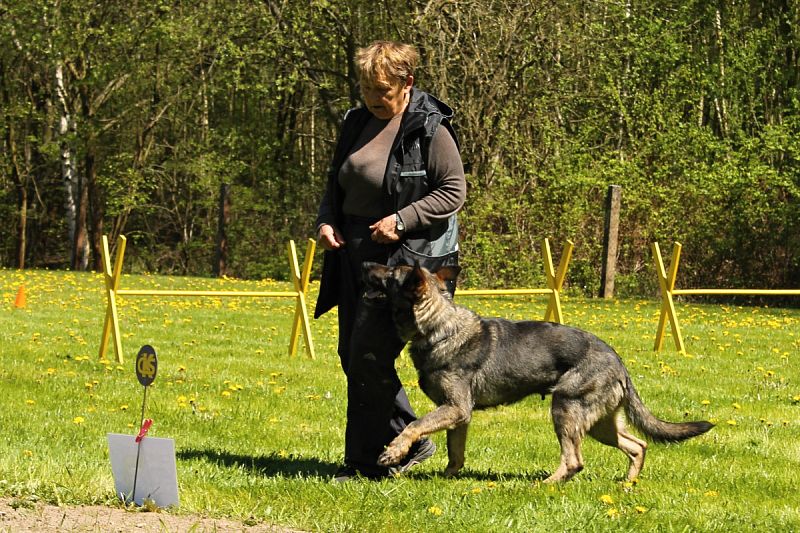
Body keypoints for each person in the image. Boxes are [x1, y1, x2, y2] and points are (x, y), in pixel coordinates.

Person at [314, 41, 467, 481]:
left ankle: (367, 464)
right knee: (353, 354)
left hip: (407, 262)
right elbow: (335, 182)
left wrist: (403, 219)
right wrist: (326, 220)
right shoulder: (354, 121)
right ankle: (408, 439)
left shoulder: (430, 129)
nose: (373, 98)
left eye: (382, 90)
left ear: (407, 83)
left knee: (368, 354)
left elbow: (453, 191)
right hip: (353, 253)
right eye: (366, 88)